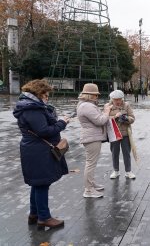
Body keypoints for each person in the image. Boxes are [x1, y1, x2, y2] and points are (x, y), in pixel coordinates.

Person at [13, 79, 70, 229]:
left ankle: (34, 214)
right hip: (38, 151)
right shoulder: (32, 109)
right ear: (38, 93)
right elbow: (43, 131)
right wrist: (62, 123)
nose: (47, 97)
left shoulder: (30, 106)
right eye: (46, 94)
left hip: (35, 149)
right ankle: (44, 217)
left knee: (37, 183)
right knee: (42, 183)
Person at [77, 83, 111, 198]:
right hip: (92, 138)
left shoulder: (85, 105)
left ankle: (91, 184)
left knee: (91, 163)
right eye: (96, 95)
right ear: (90, 95)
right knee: (90, 164)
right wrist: (106, 111)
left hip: (91, 137)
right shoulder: (87, 106)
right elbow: (100, 121)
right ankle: (88, 190)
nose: (97, 97)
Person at [105, 90, 136, 179]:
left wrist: (125, 117)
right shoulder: (108, 107)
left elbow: (132, 118)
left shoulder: (126, 105)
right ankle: (116, 171)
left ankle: (128, 171)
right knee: (115, 153)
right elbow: (104, 118)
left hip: (125, 134)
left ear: (122, 99)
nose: (118, 102)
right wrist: (115, 117)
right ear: (112, 99)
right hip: (113, 134)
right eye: (115, 100)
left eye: (119, 99)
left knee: (126, 152)